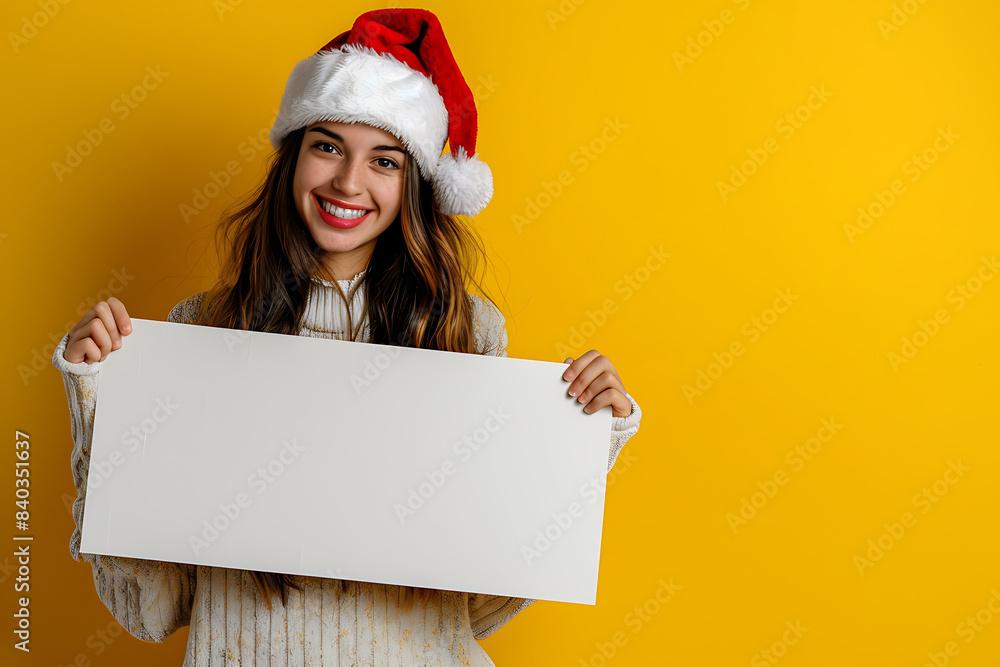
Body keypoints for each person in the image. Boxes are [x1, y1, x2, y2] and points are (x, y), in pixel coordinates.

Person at [51, 8, 643, 665]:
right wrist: (97, 406)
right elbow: (152, 611)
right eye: (328, 146)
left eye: (384, 160)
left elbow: (477, 609)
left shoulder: (465, 333)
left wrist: (581, 449)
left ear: (413, 184)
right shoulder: (202, 329)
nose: (348, 182)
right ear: (294, 157)